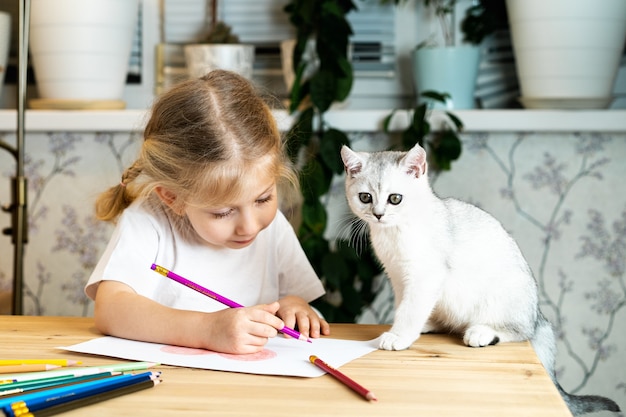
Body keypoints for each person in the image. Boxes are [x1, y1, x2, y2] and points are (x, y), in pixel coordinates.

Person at [85, 70, 330, 354]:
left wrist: (294, 306)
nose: (249, 226)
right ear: (173, 198)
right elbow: (110, 309)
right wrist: (207, 330)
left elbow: (294, 293)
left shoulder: (271, 227)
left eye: (263, 199)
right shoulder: (148, 220)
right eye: (223, 212)